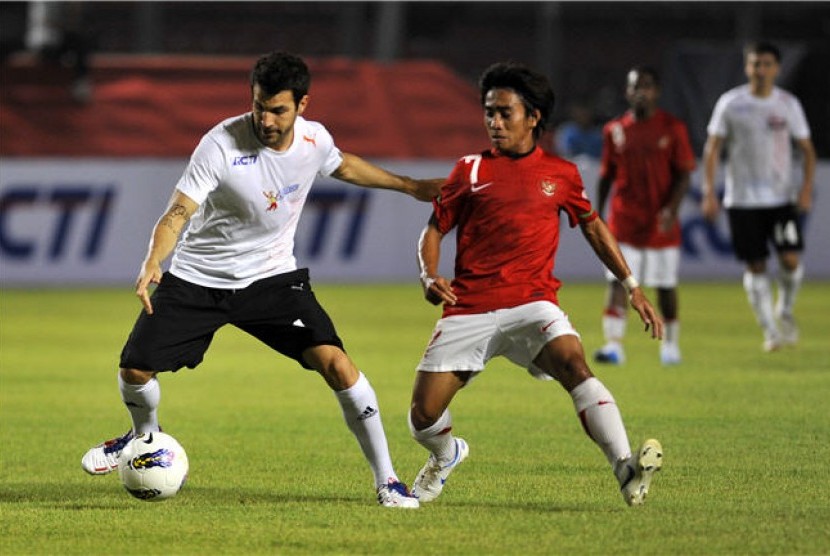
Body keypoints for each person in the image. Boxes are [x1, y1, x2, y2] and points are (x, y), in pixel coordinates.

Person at [80, 51, 443, 508]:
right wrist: (154, 259)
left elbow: (343, 164)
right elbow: (178, 211)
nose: (266, 119)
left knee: (338, 366)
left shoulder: (314, 140)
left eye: (278, 110)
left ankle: (388, 481)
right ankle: (143, 436)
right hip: (198, 278)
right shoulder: (220, 144)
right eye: (258, 107)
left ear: (302, 105)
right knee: (134, 371)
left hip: (271, 280)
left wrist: (409, 186)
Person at [408, 61, 665, 507]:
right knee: (422, 417)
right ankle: (446, 455)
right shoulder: (468, 170)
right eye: (489, 112)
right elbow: (433, 231)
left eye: (505, 112)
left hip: (533, 304)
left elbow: (593, 227)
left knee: (574, 365)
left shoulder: (562, 174)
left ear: (534, 117)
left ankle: (626, 470)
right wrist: (430, 276)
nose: (494, 122)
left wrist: (632, 286)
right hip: (470, 308)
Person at [702, 41, 816, 352]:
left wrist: (806, 188)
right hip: (742, 199)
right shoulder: (731, 103)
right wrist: (709, 190)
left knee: (790, 259)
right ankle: (770, 330)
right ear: (747, 67)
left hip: (781, 198)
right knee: (756, 266)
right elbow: (713, 147)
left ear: (776, 68)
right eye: (755, 64)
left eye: (766, 64)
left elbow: (806, 149)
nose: (761, 70)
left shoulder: (788, 104)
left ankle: (785, 310)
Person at [593, 66, 696, 366]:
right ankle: (613, 345)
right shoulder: (614, 130)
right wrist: (597, 216)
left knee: (665, 286)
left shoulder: (672, 128)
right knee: (617, 282)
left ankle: (671, 346)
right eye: (636, 86)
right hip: (624, 222)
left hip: (660, 223)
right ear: (627, 91)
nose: (641, 91)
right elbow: (605, 177)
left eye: (647, 86)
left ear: (657, 91)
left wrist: (671, 209)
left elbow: (684, 175)